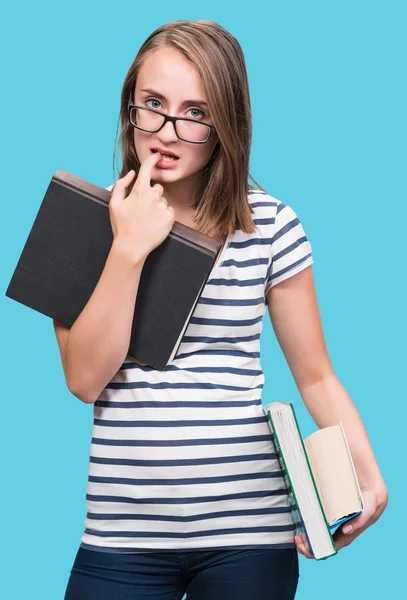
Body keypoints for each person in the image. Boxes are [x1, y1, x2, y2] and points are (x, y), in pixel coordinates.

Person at [55, 19, 388, 600]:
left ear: (225, 125)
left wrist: (369, 471)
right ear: (129, 104)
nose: (167, 130)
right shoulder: (81, 221)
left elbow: (315, 374)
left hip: (249, 539)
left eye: (196, 112)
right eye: (152, 104)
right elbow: (85, 379)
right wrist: (129, 247)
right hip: (120, 537)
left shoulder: (271, 227)